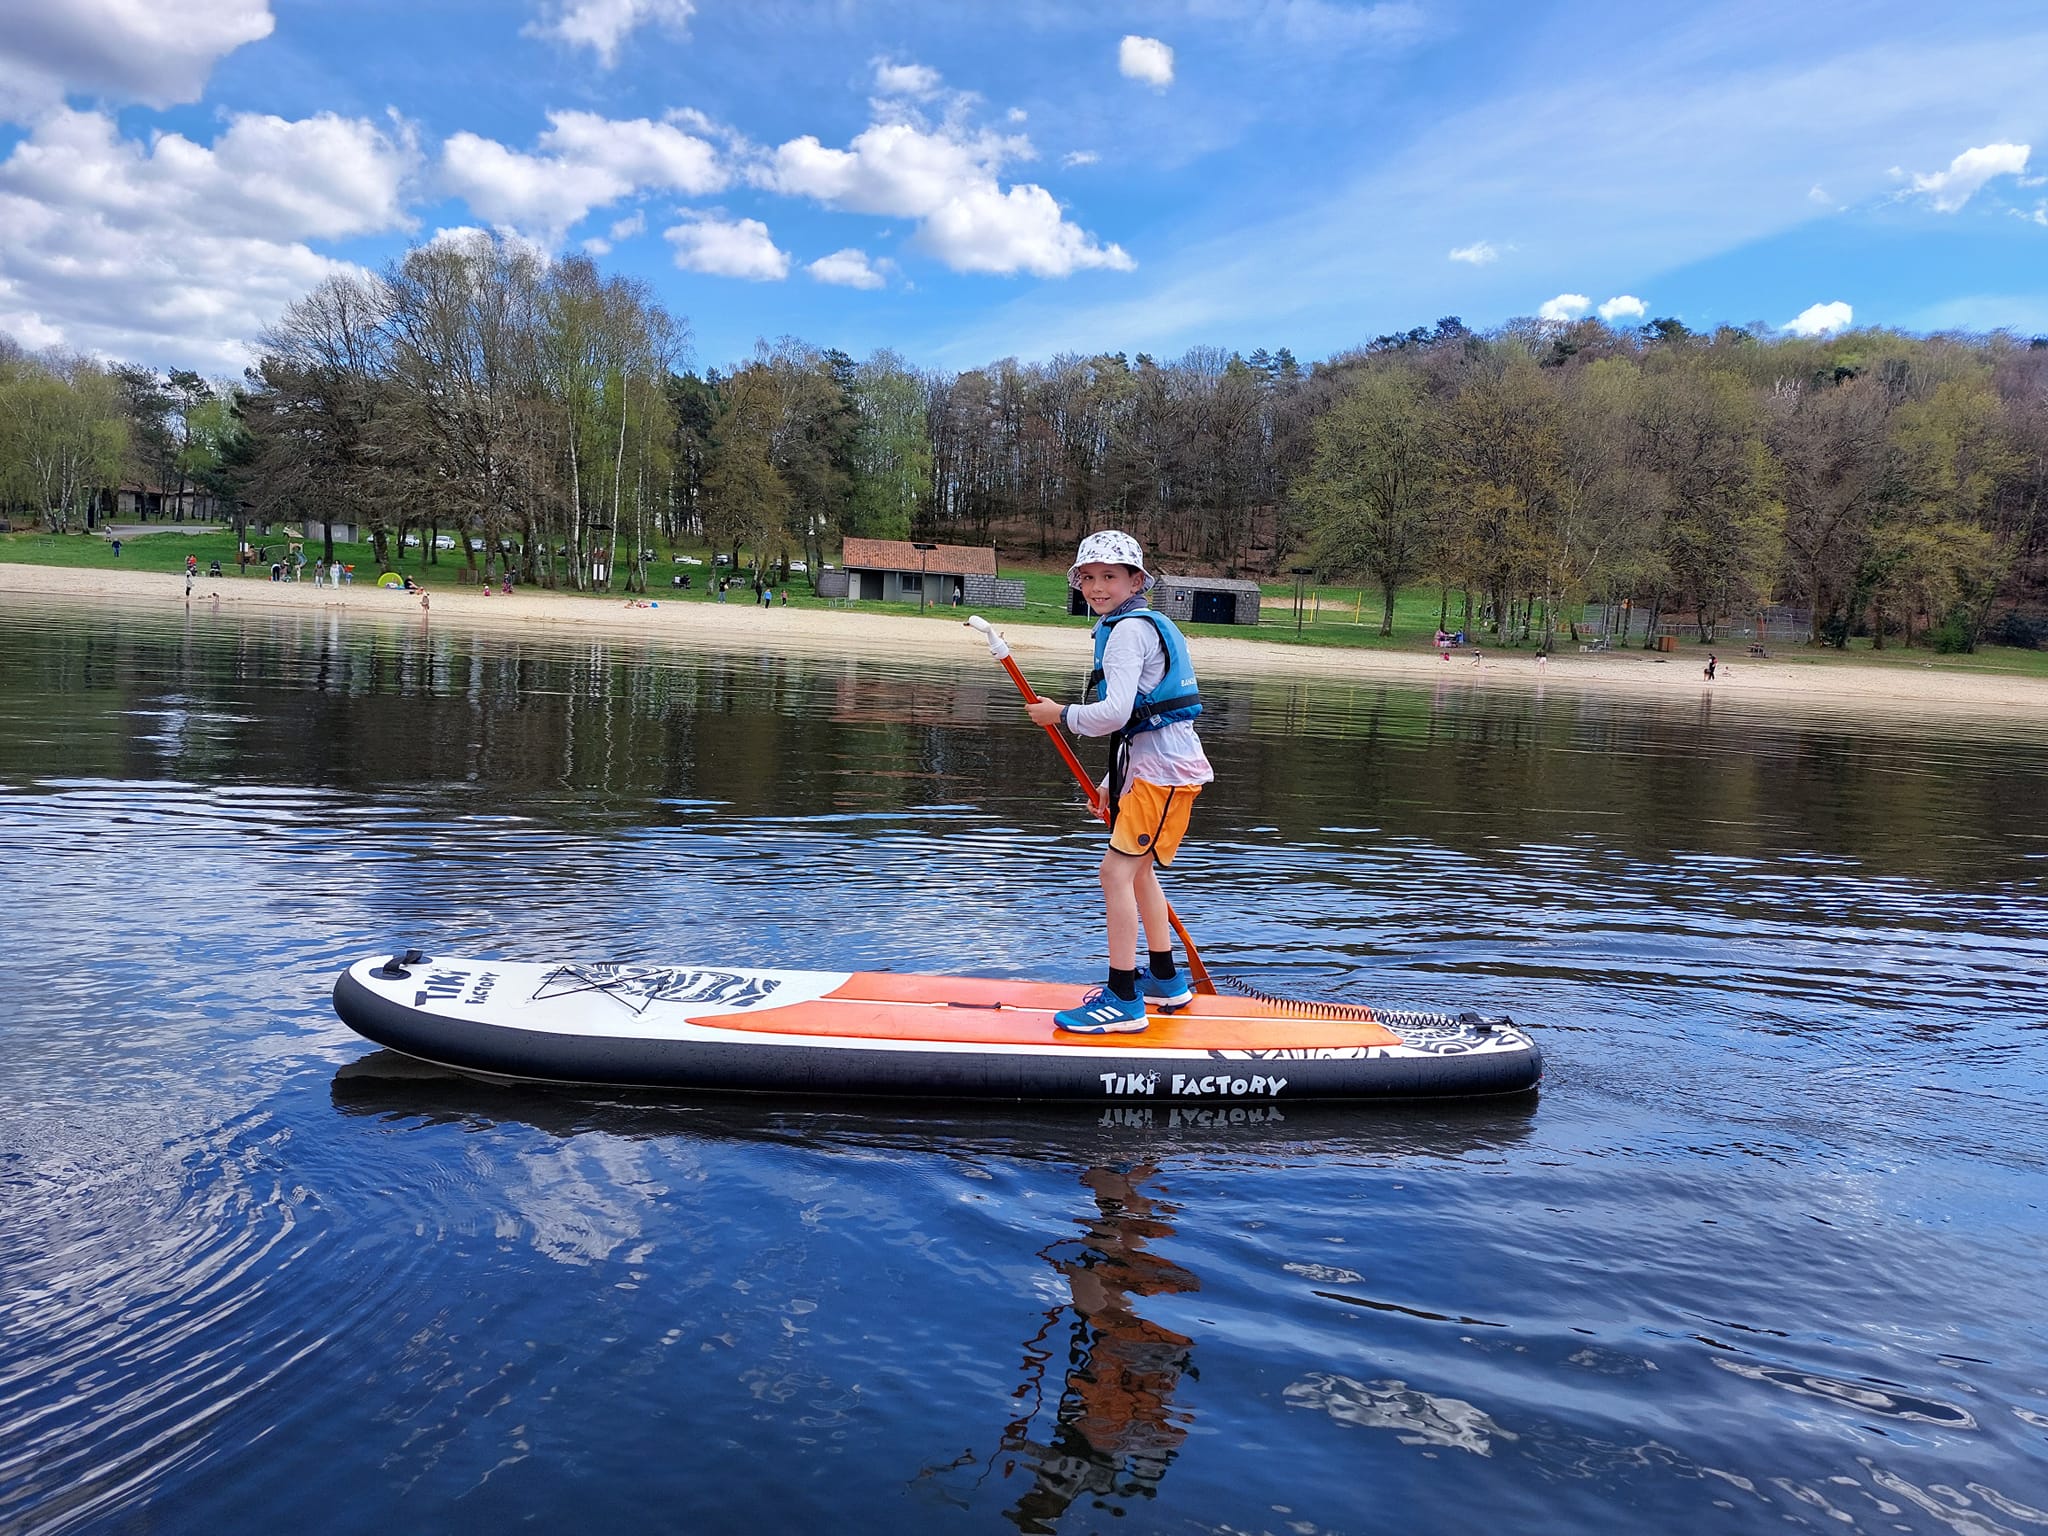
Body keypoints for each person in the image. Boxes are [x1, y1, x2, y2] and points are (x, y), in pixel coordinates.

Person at [1024, 530, 1213, 1035]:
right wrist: (1113, 779)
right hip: (1152, 771)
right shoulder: (1133, 625)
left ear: (1134, 581)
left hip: (1164, 775)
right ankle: (1167, 982)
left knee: (1115, 874)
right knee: (1141, 873)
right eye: (1088, 577)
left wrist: (1059, 713)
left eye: (1110, 576)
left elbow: (1116, 712)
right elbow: (1141, 723)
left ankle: (1123, 998)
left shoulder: (1129, 631)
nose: (1096, 587)